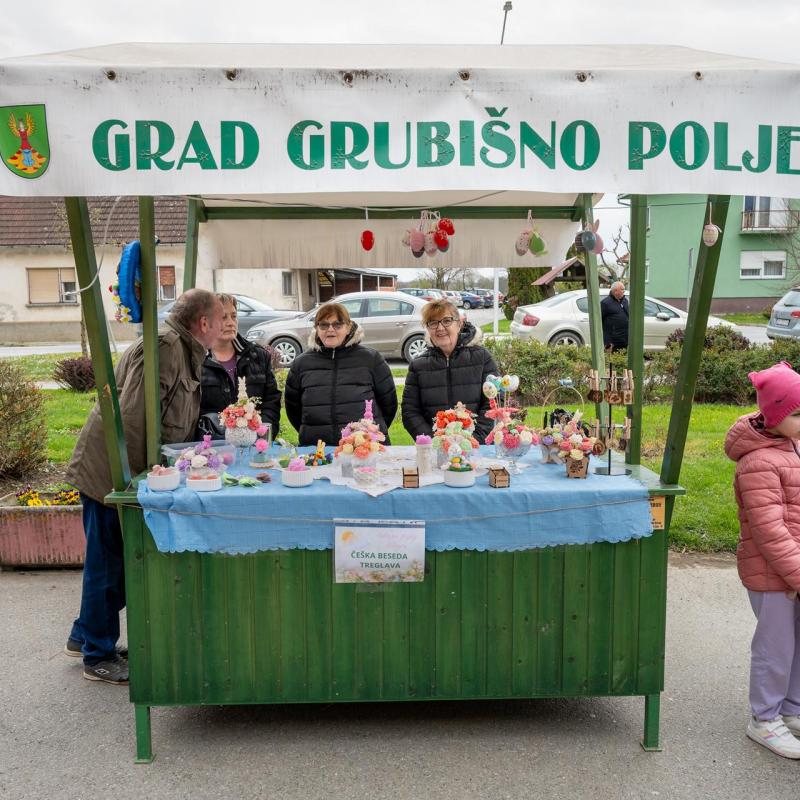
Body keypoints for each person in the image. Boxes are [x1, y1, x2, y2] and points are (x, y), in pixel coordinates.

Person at [64, 289, 225, 685]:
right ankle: (97, 655)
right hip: (112, 471)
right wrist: (142, 479)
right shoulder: (167, 347)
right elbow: (135, 416)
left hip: (122, 467)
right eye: (220, 318)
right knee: (109, 564)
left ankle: (84, 634)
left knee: (113, 559)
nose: (224, 326)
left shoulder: (180, 346)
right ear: (203, 323)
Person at [725, 361, 800, 759]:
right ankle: (764, 719)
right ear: (776, 415)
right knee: (776, 647)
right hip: (772, 575)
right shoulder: (758, 462)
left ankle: (792, 710)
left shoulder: (790, 445)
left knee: (797, 644)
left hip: (794, 570)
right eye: (798, 413)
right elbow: (771, 532)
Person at [284, 302, 397, 446]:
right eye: (323, 325)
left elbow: (389, 405)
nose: (330, 330)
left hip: (364, 448)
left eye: (337, 325)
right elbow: (293, 409)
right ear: (316, 328)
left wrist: (367, 432)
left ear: (348, 327)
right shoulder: (301, 364)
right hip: (317, 448)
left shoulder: (371, 359)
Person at [401, 299, 498, 442]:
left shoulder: (482, 358)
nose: (440, 328)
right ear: (428, 328)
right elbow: (410, 411)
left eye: (446, 321)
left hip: (476, 447)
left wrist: (474, 440)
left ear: (459, 324)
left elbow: (494, 401)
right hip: (435, 449)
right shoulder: (418, 366)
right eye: (433, 323)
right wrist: (434, 441)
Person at [198, 293, 281, 439]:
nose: (230, 322)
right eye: (223, 317)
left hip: (255, 446)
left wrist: (261, 434)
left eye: (234, 316)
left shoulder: (258, 356)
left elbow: (271, 402)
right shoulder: (196, 361)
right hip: (211, 449)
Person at [601, 281, 629, 351]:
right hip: (613, 342)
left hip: (624, 339)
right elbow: (599, 322)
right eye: (622, 289)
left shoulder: (625, 301)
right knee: (612, 361)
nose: (624, 291)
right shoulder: (605, 303)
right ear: (615, 291)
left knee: (623, 360)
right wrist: (607, 342)